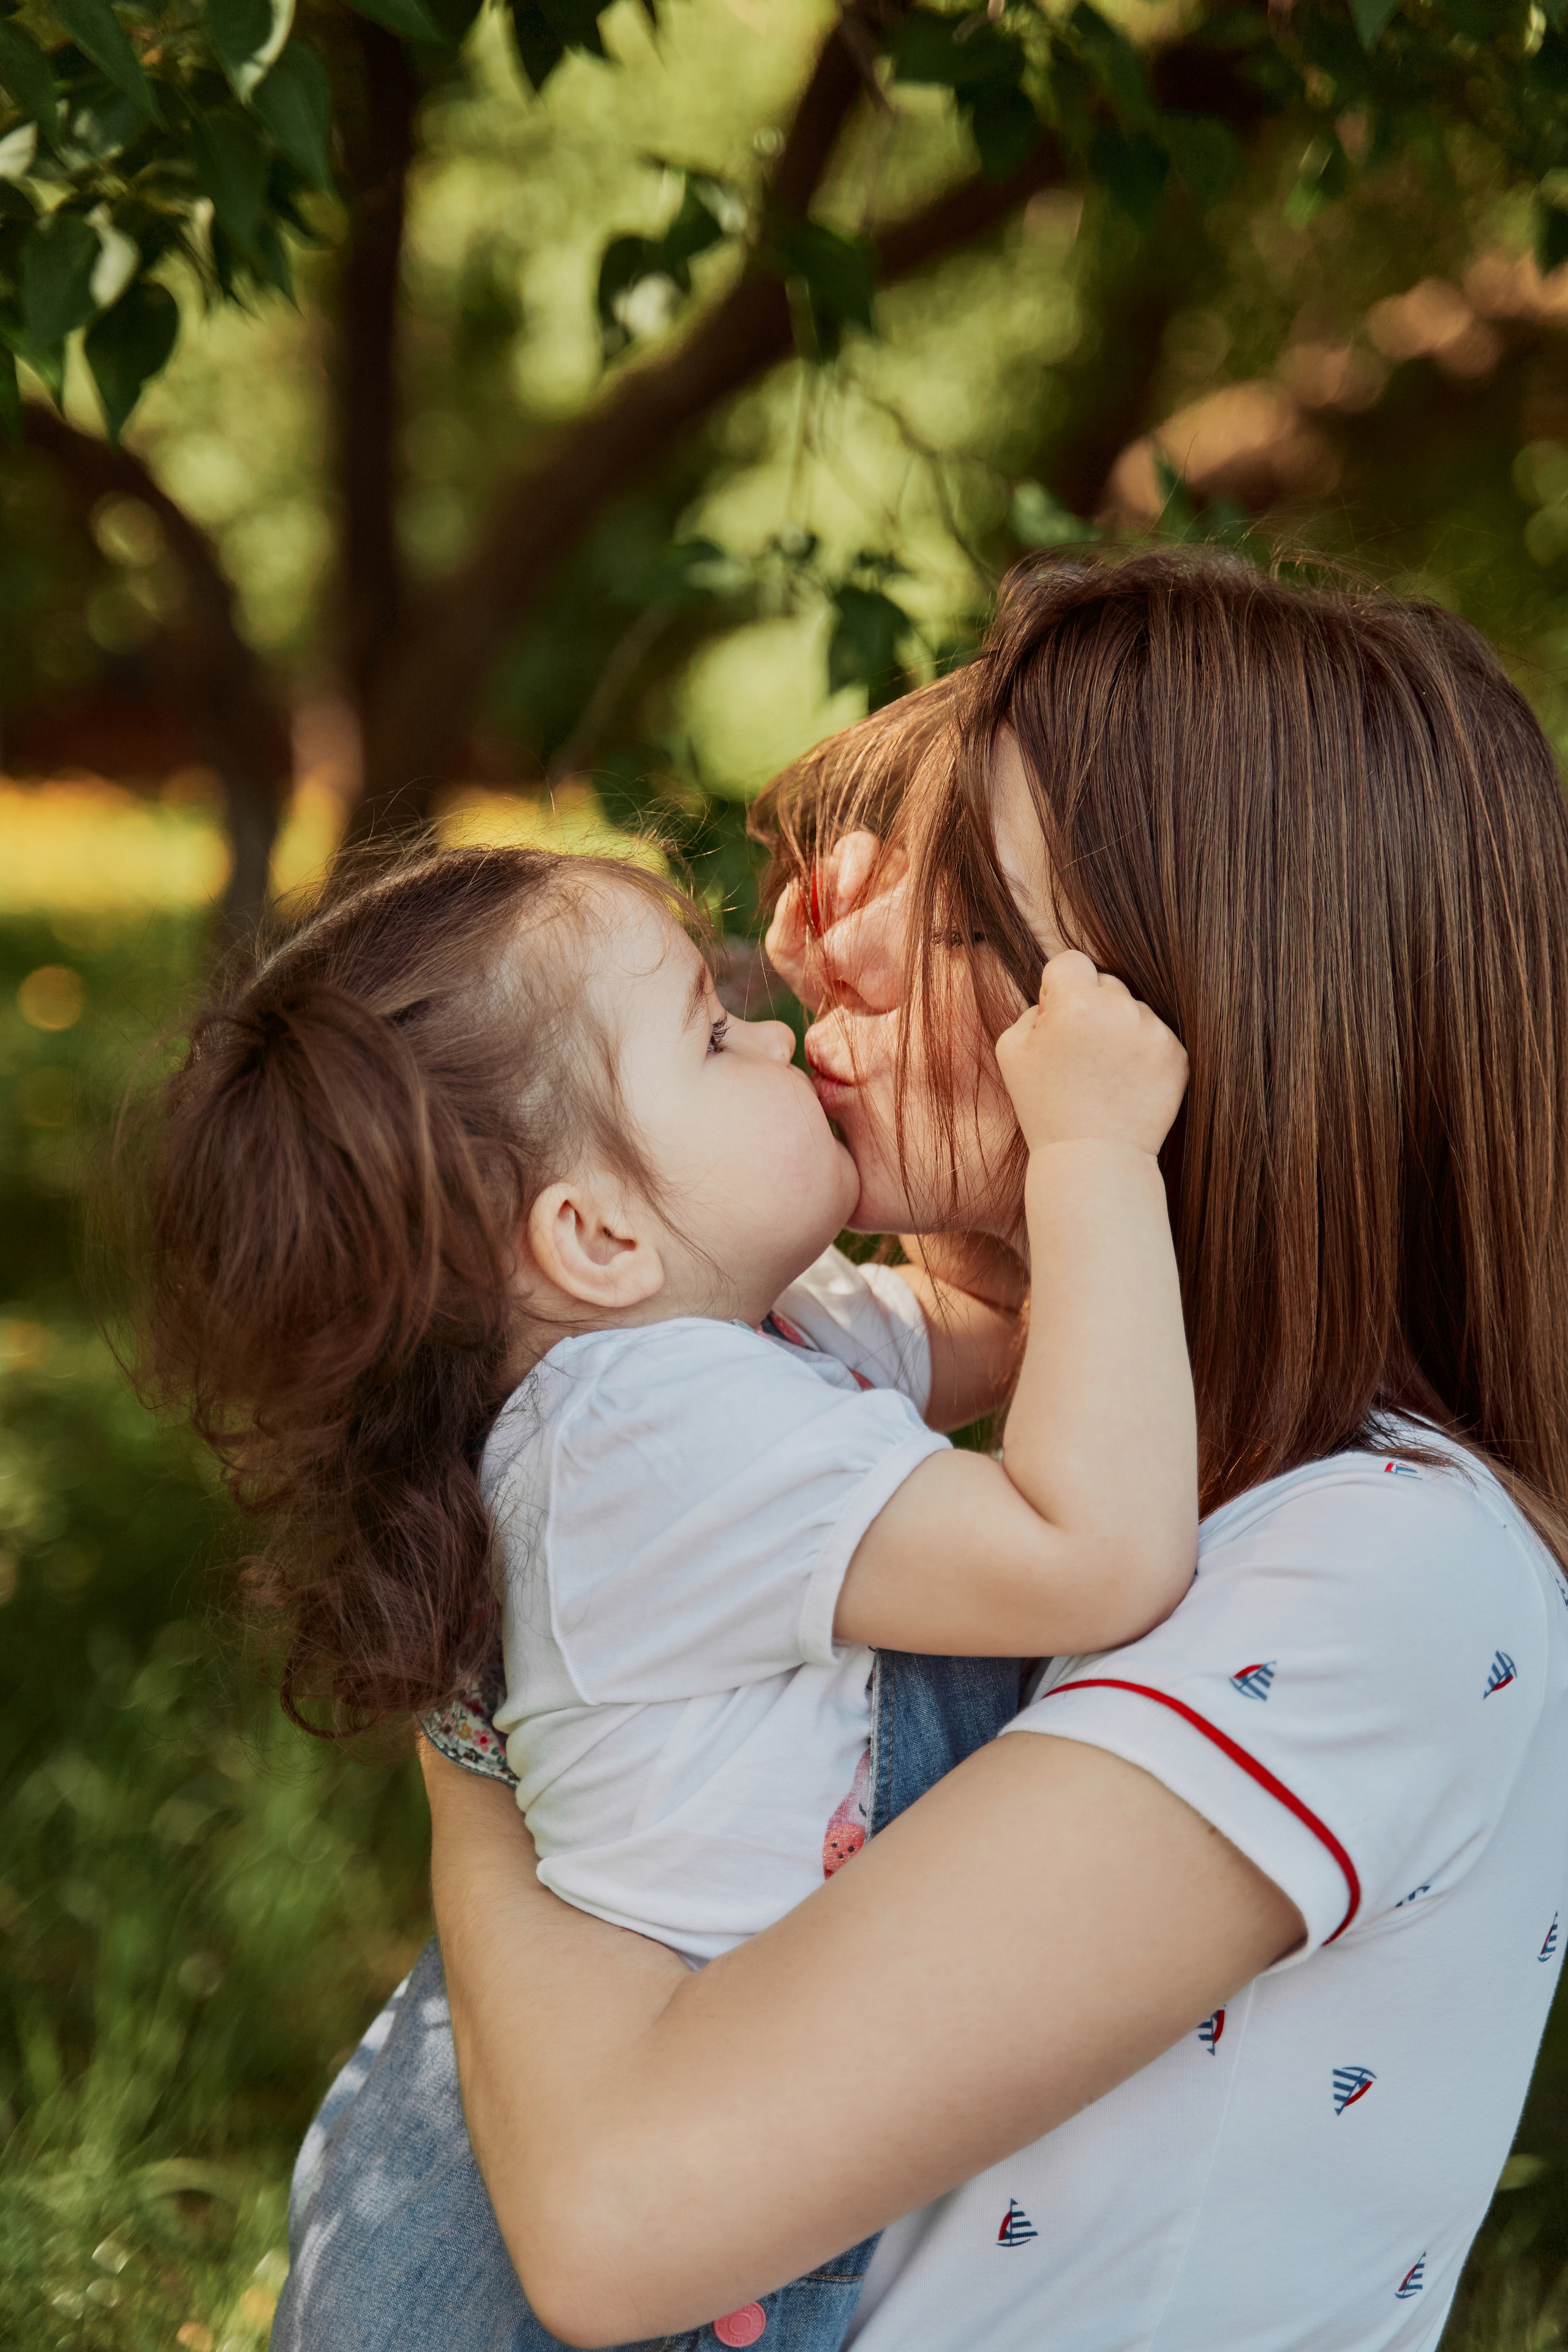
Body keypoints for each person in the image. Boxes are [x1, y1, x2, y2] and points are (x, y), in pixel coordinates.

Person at [278, 548, 1568, 2352]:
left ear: (1199, 1021)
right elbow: (969, 1365)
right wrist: (941, 1149)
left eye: (960, 916)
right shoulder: (1162, 1465)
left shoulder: (1385, 1575)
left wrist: (478, 1721)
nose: (829, 948)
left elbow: (617, 2224)